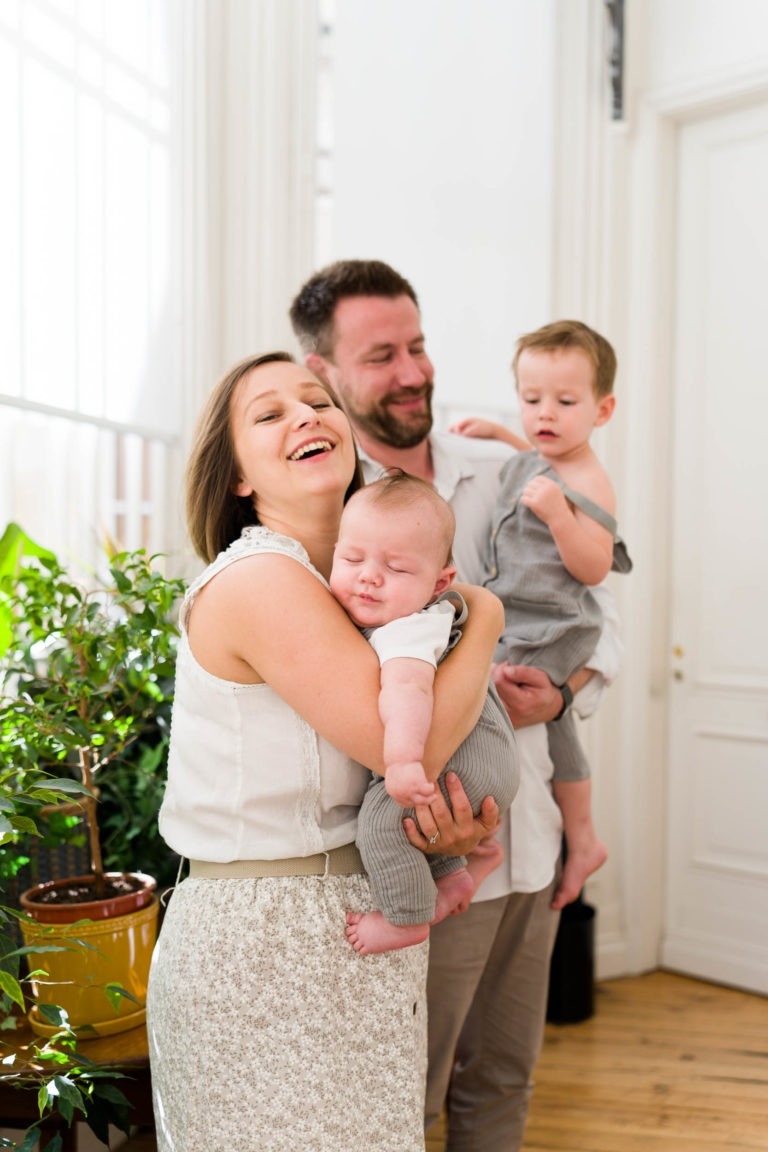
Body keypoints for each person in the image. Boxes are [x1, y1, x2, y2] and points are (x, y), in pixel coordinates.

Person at [290, 261, 624, 1151]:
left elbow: (600, 619)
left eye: (419, 344)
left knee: (505, 1081)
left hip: (532, 840)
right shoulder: (328, 517)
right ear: (323, 374)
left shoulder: (514, 466)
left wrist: (563, 689)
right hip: (430, 855)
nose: (413, 372)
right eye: (381, 355)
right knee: (410, 1092)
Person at [146, 351, 505, 1152]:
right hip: (262, 943)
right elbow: (393, 741)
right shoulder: (259, 582)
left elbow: (402, 770)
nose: (307, 415)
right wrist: (482, 613)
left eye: (317, 401)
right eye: (269, 414)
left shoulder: (365, 595)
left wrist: (437, 832)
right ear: (236, 475)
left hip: (355, 919)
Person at [451, 320, 632, 909]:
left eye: (564, 401)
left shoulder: (588, 480)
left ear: (602, 411)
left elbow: (595, 566)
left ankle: (559, 835)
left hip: (558, 620)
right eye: (531, 401)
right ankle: (579, 838)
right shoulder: (540, 459)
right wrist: (501, 434)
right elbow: (531, 457)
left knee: (510, 706)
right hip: (521, 614)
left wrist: (560, 516)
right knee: (546, 720)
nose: (544, 414)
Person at [330, 470, 519, 955]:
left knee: (380, 821)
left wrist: (406, 761)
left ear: (440, 583)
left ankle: (406, 919)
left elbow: (408, 691)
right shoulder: (414, 617)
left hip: (467, 760)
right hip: (486, 757)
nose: (369, 575)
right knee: (407, 817)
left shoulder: (407, 631)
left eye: (395, 568)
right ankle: (454, 878)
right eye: (352, 558)